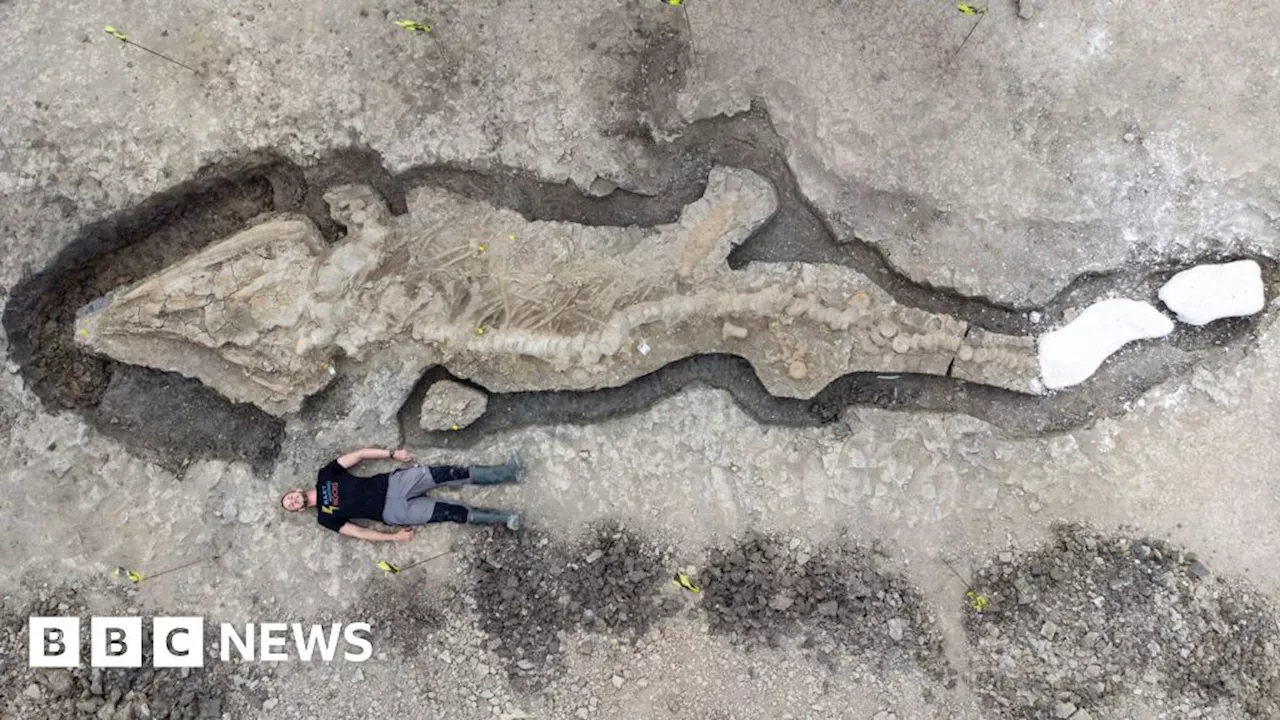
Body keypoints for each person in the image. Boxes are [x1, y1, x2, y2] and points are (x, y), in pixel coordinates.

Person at [279, 447, 523, 541]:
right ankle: (507, 518)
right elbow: (360, 532)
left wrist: (392, 454)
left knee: (449, 473)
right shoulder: (325, 518)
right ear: (300, 509)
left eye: (288, 497)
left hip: (395, 484)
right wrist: (394, 538)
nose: (291, 500)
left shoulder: (326, 475)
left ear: (295, 490)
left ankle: (508, 472)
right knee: (451, 512)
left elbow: (360, 455)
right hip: (394, 512)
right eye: (290, 505)